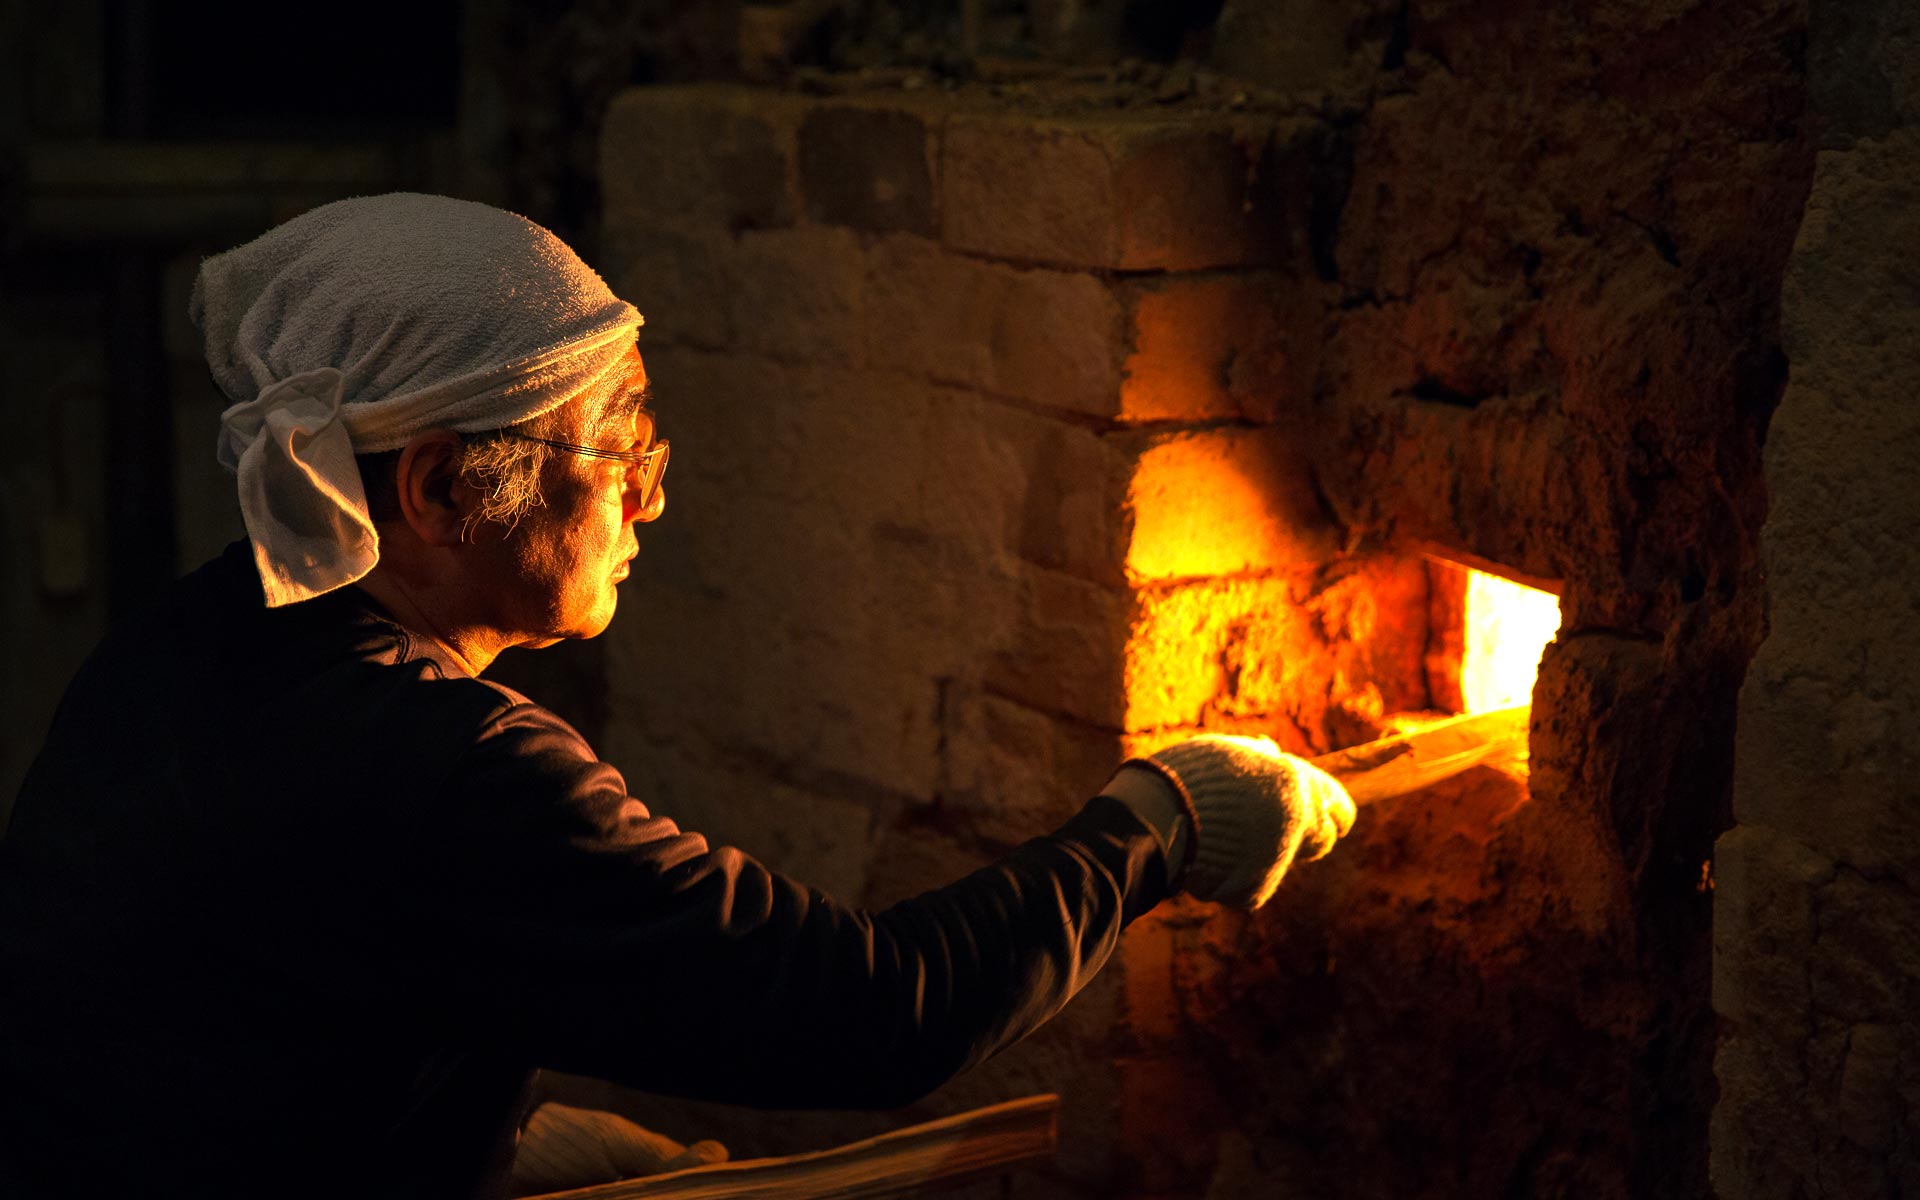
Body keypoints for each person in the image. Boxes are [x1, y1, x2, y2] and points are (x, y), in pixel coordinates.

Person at [0, 194, 1354, 1200]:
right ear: (437, 488)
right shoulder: (450, 771)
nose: (650, 499)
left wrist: (483, 1138)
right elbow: (874, 1010)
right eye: (618, 451)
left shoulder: (188, 634)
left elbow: (228, 1025)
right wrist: (1157, 823)